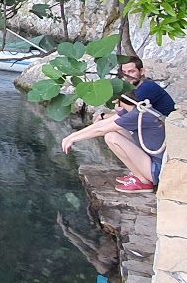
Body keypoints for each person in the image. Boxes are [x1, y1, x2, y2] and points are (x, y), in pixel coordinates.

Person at [60, 54, 176, 193]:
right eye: (124, 72)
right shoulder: (136, 109)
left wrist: (73, 138)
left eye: (131, 72)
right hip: (155, 148)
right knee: (115, 130)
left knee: (111, 137)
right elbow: (102, 125)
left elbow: (101, 130)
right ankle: (139, 174)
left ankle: (144, 181)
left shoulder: (140, 108)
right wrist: (71, 136)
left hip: (158, 168)